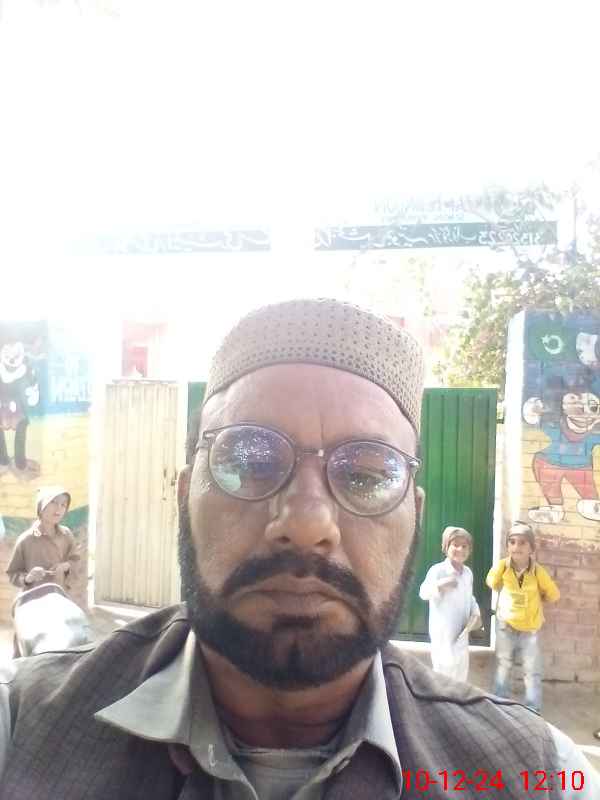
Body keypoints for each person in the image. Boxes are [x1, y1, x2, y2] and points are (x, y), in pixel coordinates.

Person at [0, 299, 597, 799]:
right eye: (249, 462)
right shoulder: (22, 730)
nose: (307, 524)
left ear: (415, 516)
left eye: (366, 475)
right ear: (185, 497)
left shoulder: (538, 775)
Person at [486, 520, 560, 714]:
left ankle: (532, 708)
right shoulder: (503, 566)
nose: (516, 546)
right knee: (503, 664)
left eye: (522, 543)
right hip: (505, 625)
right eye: (512, 542)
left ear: (531, 548)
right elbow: (491, 581)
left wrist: (539, 598)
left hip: (530, 629)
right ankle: (500, 703)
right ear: (507, 546)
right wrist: (500, 581)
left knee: (531, 670)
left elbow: (553, 594)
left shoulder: (537, 572)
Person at [418, 526, 480, 681]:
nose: (460, 549)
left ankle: (457, 696)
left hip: (461, 633)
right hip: (443, 633)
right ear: (446, 547)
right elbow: (423, 593)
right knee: (443, 674)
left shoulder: (467, 573)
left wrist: (475, 613)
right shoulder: (438, 571)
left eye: (464, 546)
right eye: (455, 545)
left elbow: (470, 597)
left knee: (460, 673)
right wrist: (440, 585)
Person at [5, 486, 78, 593]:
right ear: (41, 506)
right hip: (33, 598)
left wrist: (65, 566)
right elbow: (13, 574)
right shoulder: (26, 539)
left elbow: (76, 560)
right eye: (53, 502)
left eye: (63, 505)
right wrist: (28, 578)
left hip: (60, 596)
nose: (59, 508)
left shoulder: (66, 535)